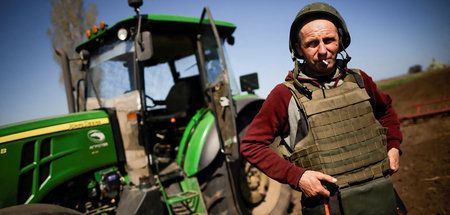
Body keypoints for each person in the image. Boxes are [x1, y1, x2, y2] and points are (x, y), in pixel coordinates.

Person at [240, 2, 405, 214]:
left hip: (379, 195)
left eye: (329, 40)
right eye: (312, 43)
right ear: (298, 49)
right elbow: (251, 144)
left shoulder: (360, 80)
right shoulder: (284, 95)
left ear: (341, 41)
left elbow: (386, 111)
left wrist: (393, 144)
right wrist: (298, 177)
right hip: (328, 205)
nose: (323, 50)